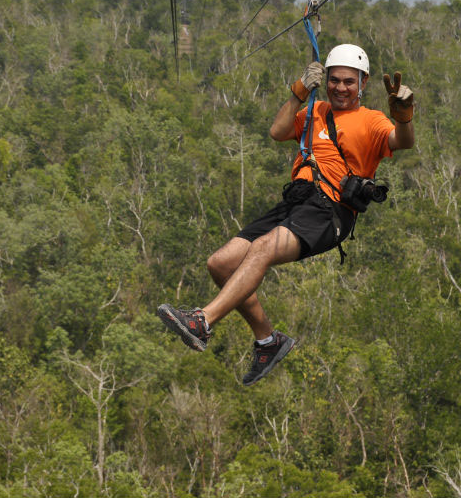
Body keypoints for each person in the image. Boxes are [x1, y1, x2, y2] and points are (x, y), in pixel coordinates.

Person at [157, 44, 415, 385]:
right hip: (297, 200)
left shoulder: (371, 120)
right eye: (334, 80)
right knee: (220, 263)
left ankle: (202, 321)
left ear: (363, 83)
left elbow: (403, 141)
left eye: (349, 82)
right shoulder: (315, 110)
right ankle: (268, 341)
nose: (340, 88)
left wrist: (404, 115)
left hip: (331, 210)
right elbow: (278, 132)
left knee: (263, 248)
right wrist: (299, 91)